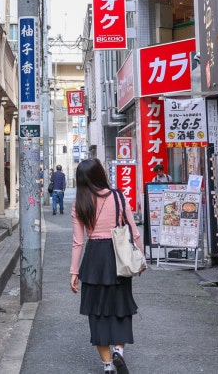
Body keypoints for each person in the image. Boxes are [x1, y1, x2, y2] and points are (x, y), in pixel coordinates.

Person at [69, 158, 146, 374]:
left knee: (97, 312)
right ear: (101, 174)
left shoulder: (79, 203)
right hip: (118, 258)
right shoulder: (119, 197)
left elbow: (78, 241)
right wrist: (140, 259)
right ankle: (119, 351)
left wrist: (74, 272)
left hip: (93, 261)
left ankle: (107, 365)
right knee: (121, 306)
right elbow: (134, 231)